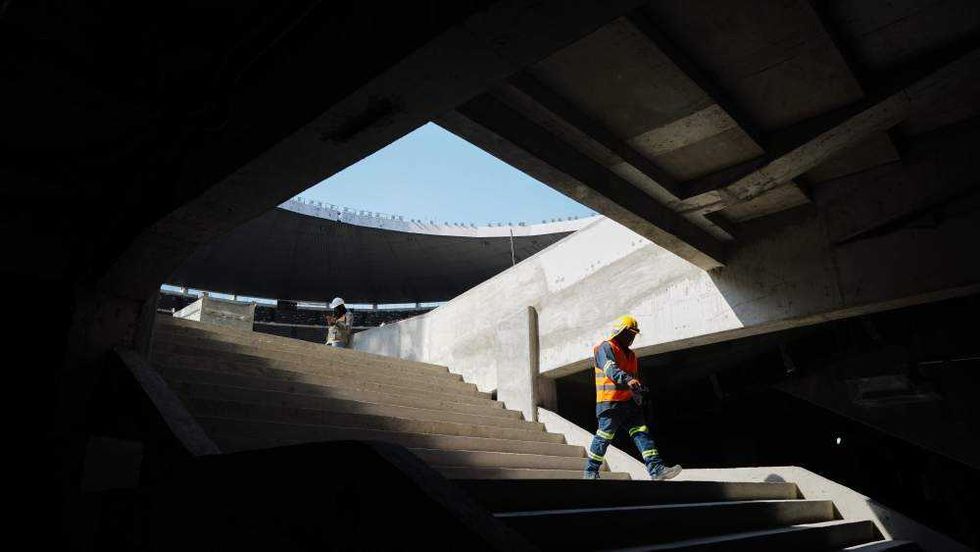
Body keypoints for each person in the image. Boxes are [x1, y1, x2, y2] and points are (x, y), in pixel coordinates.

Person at [584, 315, 682, 481]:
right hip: (610, 402)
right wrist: (627, 380)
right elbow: (610, 368)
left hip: (629, 403)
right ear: (620, 332)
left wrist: (638, 392)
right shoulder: (605, 347)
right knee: (604, 436)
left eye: (634, 334)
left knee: (642, 433)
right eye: (630, 334)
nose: (632, 337)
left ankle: (657, 470)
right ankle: (590, 472)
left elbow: (633, 378)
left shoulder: (631, 355)